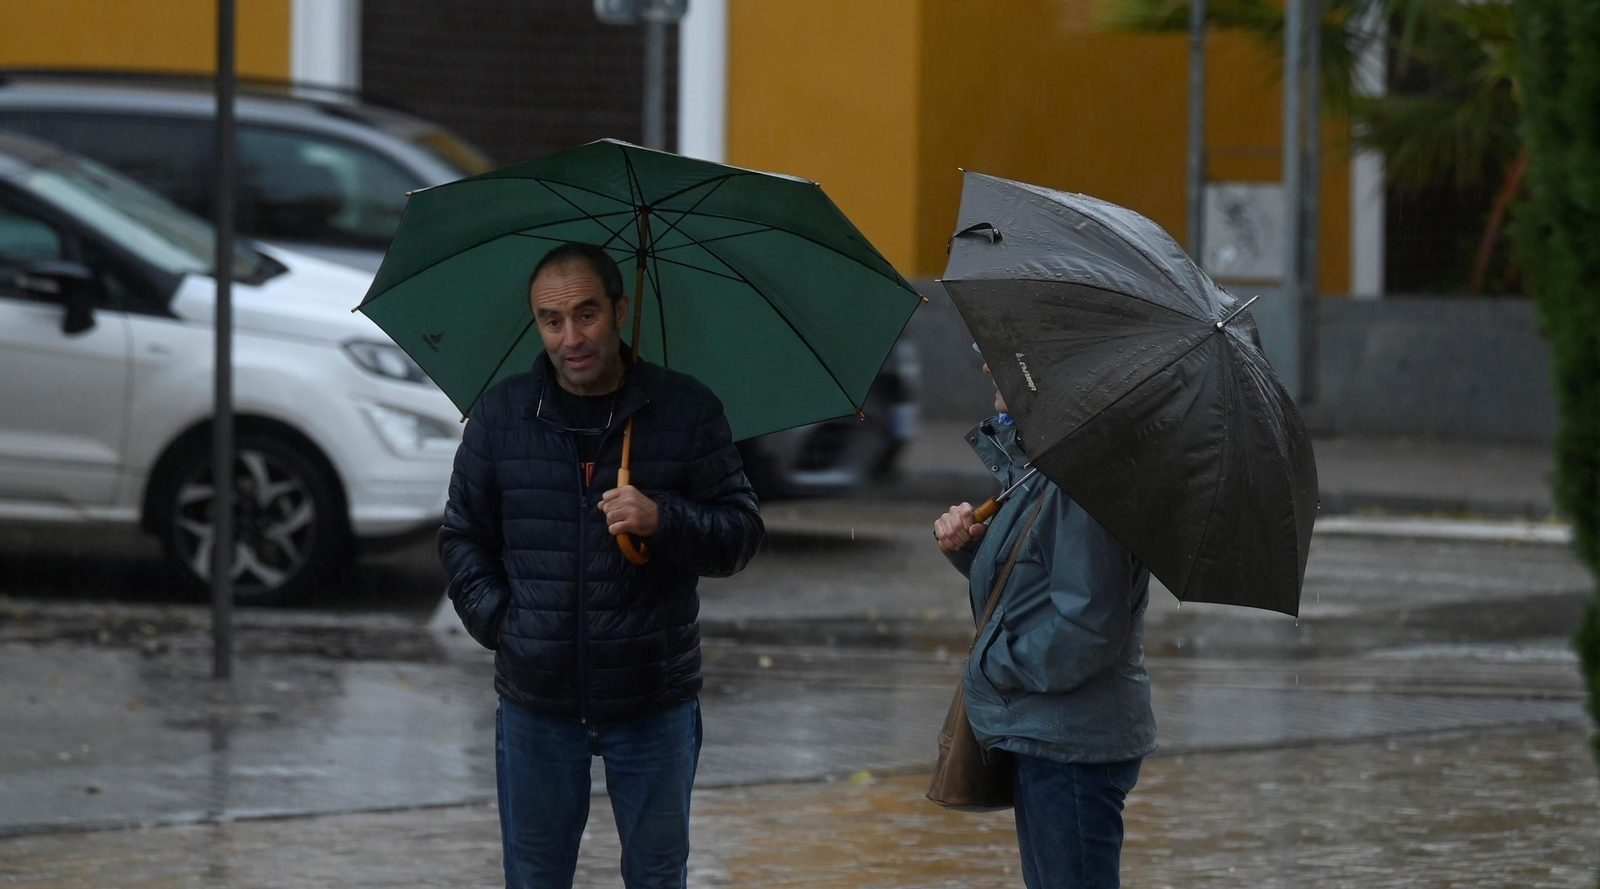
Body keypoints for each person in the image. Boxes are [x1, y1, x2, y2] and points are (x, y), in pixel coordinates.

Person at [439, 242, 764, 889]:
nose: (570, 336)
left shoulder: (686, 410)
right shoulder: (501, 417)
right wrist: (507, 625)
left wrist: (662, 517)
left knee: (656, 874)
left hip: (652, 700)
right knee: (535, 876)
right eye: (551, 320)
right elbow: (461, 537)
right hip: (537, 703)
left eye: (586, 314)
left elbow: (740, 533)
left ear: (620, 309)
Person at [933, 345, 1155, 889]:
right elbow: (1038, 583)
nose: (986, 365)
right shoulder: (1043, 464)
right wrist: (972, 548)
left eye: (1001, 356)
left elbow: (1089, 626)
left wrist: (997, 662)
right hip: (1057, 735)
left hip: (1074, 747)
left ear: (1041, 370)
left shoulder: (1081, 475)